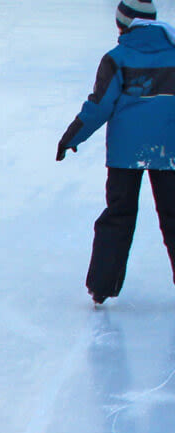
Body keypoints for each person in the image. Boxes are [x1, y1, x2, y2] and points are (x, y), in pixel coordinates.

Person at [58, 0, 175, 304]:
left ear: (124, 25)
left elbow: (99, 106)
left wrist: (72, 136)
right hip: (169, 151)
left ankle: (101, 287)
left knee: (118, 215)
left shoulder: (117, 58)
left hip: (126, 154)